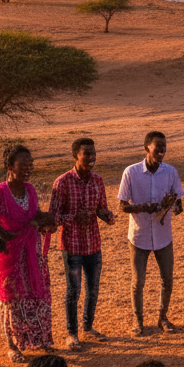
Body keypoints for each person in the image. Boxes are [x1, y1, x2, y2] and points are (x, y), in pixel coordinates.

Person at [0, 144, 56, 362]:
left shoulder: (30, 190)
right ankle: (12, 346)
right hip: (9, 257)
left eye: (30, 163)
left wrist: (46, 220)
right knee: (12, 300)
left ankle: (38, 339)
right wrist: (12, 235)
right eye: (23, 164)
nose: (28, 168)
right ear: (9, 166)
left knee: (36, 294)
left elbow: (35, 214)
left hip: (31, 254)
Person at [48, 137, 116, 350]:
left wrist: (107, 216)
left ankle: (88, 327)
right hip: (72, 246)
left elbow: (100, 208)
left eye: (93, 153)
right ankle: (72, 333)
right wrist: (74, 218)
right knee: (73, 291)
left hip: (93, 244)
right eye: (86, 153)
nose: (91, 157)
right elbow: (52, 217)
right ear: (75, 155)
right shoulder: (63, 182)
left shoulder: (98, 180)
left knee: (93, 289)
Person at [117, 132, 184, 336]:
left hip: (163, 236)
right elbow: (122, 206)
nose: (162, 150)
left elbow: (179, 205)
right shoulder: (131, 172)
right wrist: (143, 207)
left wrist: (171, 206)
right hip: (139, 236)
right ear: (147, 148)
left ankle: (162, 318)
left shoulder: (170, 172)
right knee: (138, 282)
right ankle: (139, 321)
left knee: (167, 279)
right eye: (158, 147)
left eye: (164, 146)